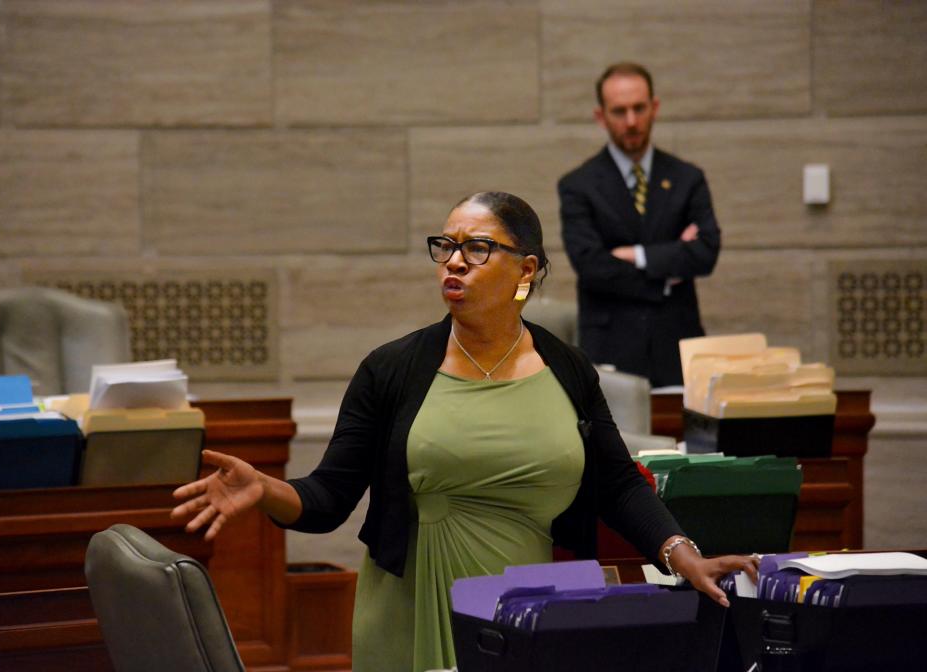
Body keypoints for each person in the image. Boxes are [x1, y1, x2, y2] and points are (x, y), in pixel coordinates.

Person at [171, 192, 754, 672]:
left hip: (527, 613)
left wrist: (682, 554)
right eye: (445, 247)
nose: (453, 262)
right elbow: (328, 498)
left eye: (477, 248)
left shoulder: (568, 370)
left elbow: (619, 484)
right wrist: (264, 488)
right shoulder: (392, 369)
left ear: (525, 270)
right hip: (409, 611)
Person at [558, 62, 721, 387]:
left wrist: (636, 256)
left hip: (676, 348)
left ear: (654, 107)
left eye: (638, 108)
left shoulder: (687, 178)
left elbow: (705, 252)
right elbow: (591, 265)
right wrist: (669, 268)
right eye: (619, 111)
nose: (631, 122)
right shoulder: (578, 185)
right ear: (600, 116)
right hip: (611, 350)